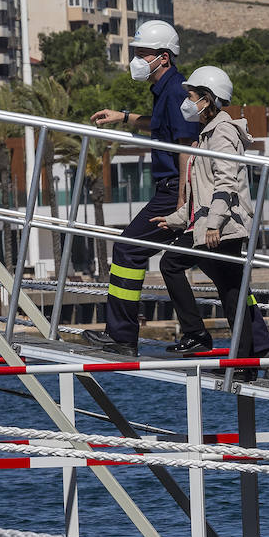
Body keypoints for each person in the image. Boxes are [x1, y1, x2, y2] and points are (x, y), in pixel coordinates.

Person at [84, 20, 206, 356]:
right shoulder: (166, 89)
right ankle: (215, 336)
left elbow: (186, 145)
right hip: (171, 188)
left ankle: (122, 337)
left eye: (143, 54)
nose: (136, 61)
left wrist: (182, 199)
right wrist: (122, 117)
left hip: (175, 189)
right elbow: (160, 126)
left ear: (164, 57)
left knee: (128, 250)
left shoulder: (177, 89)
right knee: (211, 265)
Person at [150, 66, 269, 378]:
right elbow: (201, 193)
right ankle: (251, 360)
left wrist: (214, 225)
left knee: (171, 264)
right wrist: (176, 219)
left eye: (192, 96)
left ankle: (198, 335)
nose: (187, 102)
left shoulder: (221, 133)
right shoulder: (207, 134)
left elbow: (225, 183)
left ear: (207, 99)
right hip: (213, 222)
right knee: (231, 292)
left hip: (224, 226)